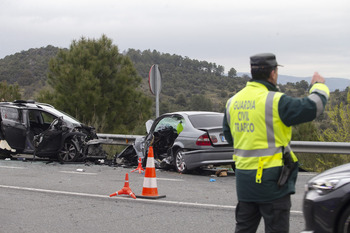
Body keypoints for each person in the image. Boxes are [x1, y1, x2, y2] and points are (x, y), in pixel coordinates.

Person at [223, 53, 329, 233]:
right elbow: (312, 108)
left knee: (244, 228)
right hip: (272, 183)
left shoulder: (232, 102)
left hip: (244, 183)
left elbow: (229, 136)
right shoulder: (275, 101)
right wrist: (319, 87)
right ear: (273, 73)